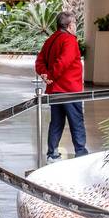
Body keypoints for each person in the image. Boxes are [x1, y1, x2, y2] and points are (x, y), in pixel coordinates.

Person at [35, 11, 88, 161]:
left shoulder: (50, 40)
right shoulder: (69, 40)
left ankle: (52, 154)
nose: (76, 27)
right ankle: (81, 153)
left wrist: (45, 74)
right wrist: (50, 76)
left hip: (54, 91)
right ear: (70, 25)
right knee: (76, 121)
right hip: (70, 89)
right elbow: (64, 61)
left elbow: (39, 61)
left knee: (56, 122)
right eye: (75, 24)